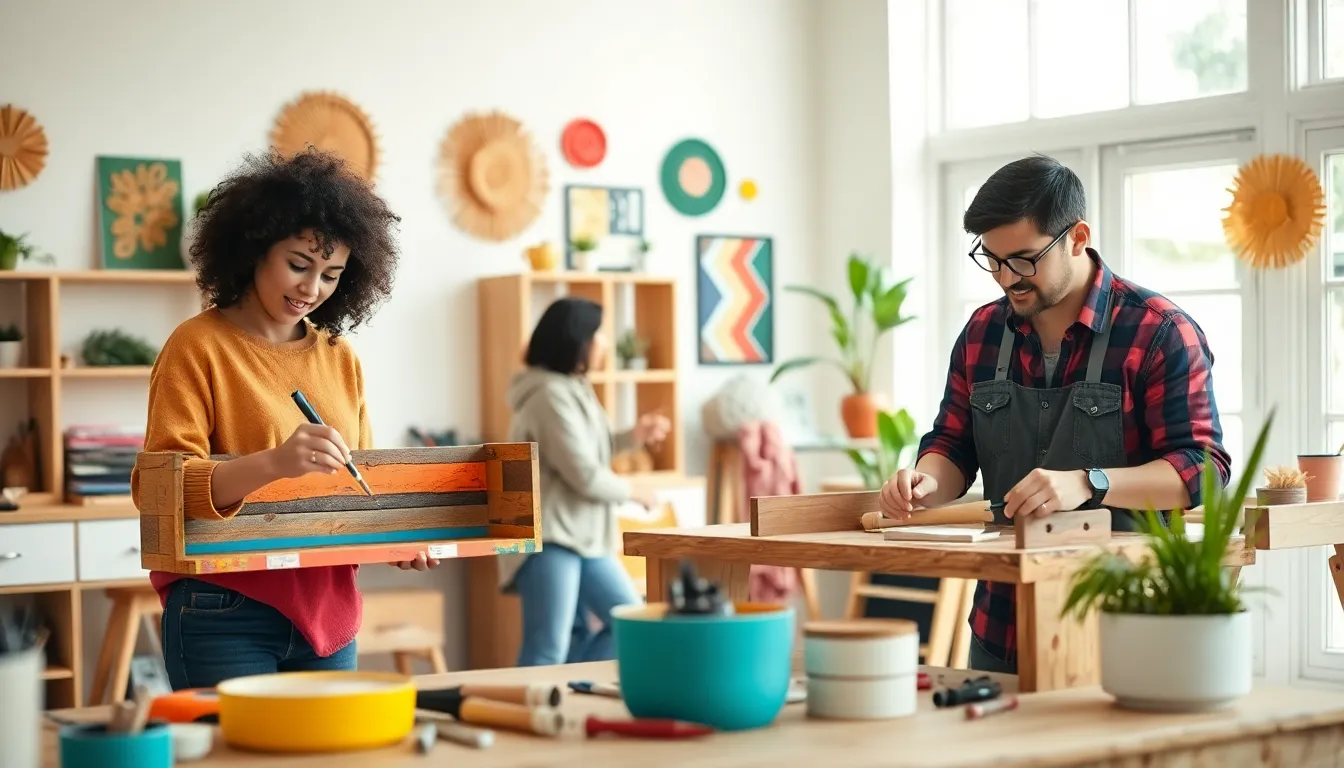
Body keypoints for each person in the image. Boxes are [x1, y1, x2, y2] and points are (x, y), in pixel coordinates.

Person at [878, 154, 1231, 674]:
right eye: (993, 259)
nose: (1006, 278)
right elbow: (952, 444)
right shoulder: (981, 332)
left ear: (1077, 237)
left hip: (1128, 627)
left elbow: (1202, 471)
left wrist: (1090, 483)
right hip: (1001, 627)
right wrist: (925, 482)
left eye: (1024, 260)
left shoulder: (1159, 332)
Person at [129, 148, 432, 691]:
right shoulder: (196, 346)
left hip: (328, 611)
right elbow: (159, 489)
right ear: (254, 249)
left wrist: (397, 539)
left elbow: (358, 485)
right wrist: (274, 463)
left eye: (332, 274)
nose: (312, 290)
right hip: (225, 606)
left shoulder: (338, 356)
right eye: (298, 265)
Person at [501, 297, 671, 667]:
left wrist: (635, 435)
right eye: (598, 335)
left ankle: (570, 684)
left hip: (583, 536)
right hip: (552, 537)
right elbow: (583, 474)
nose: (605, 343)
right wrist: (634, 492)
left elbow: (589, 448)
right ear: (577, 341)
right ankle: (533, 700)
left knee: (631, 625)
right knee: (547, 647)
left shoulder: (573, 386)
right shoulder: (548, 395)